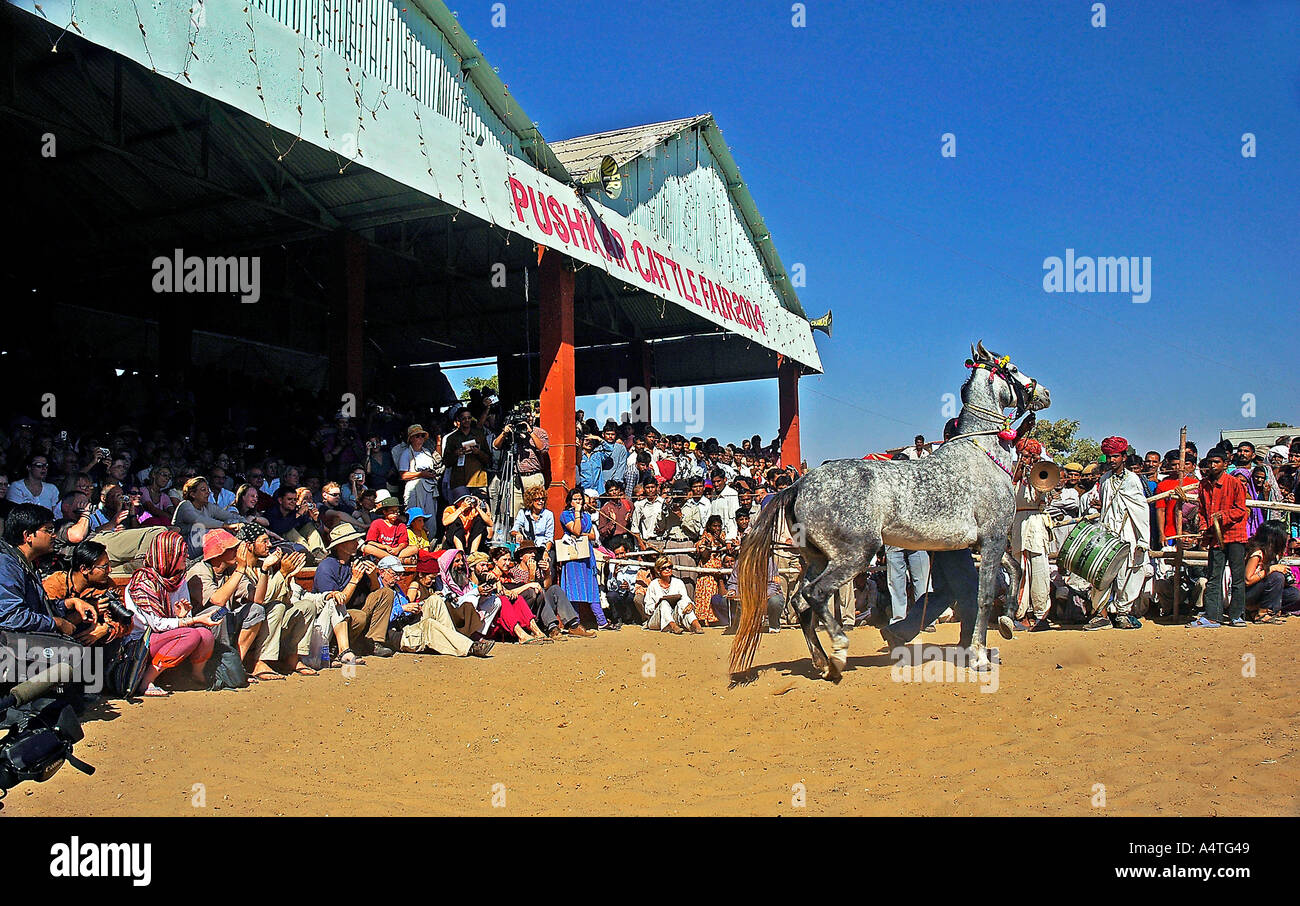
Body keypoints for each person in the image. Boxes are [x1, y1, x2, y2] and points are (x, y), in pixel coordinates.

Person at [125, 530, 223, 697]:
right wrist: (192, 620)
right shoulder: (143, 582)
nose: (186, 557)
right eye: (181, 554)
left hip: (167, 635)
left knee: (205, 635)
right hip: (142, 640)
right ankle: (147, 681)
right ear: (168, 555)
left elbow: (180, 619)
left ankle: (195, 676)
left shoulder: (178, 579)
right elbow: (156, 624)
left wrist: (182, 616)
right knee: (190, 635)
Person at [185, 528, 281, 681]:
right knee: (219, 611)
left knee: (256, 610)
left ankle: (236, 665)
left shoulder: (231, 570)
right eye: (232, 549)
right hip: (201, 627)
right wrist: (240, 569)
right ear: (219, 552)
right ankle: (216, 668)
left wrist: (264, 570)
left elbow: (257, 599)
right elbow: (218, 600)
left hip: (225, 623)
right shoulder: (199, 571)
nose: (237, 551)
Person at [1084, 437, 1149, 631]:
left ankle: (1122, 613)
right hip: (1107, 533)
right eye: (1109, 457)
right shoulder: (1104, 479)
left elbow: (1141, 511)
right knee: (1101, 574)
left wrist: (1143, 539)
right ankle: (1101, 615)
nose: (1112, 460)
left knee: (1128, 574)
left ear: (1123, 457)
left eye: (1116, 456)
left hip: (1128, 532)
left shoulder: (1132, 480)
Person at [0, 504, 95, 636]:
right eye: (48, 530)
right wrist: (56, 623)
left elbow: (37, 609)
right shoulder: (6, 566)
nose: (54, 535)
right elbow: (10, 617)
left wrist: (69, 603)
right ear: (28, 536)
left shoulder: (26, 564)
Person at [373, 555, 492, 658]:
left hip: (407, 623)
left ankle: (453, 640)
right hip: (396, 634)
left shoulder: (395, 587)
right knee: (429, 624)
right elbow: (378, 620)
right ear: (382, 572)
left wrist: (416, 607)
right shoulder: (377, 591)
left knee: (435, 600)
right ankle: (470, 647)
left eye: (399, 574)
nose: (398, 578)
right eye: (394, 574)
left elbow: (406, 607)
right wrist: (402, 609)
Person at [313, 524, 396, 658]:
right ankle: (337, 645)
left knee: (386, 593)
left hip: (359, 609)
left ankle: (374, 642)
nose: (356, 543)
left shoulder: (357, 560)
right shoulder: (327, 567)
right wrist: (354, 579)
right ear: (339, 545)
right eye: (351, 541)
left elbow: (374, 590)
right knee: (359, 616)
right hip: (337, 617)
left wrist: (373, 576)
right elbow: (335, 604)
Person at [1191, 452, 1250, 628]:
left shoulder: (1235, 484)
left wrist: (1222, 516)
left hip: (1235, 536)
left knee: (1237, 577)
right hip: (1215, 538)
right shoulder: (1204, 485)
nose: (1212, 465)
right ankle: (1212, 617)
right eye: (1210, 462)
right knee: (1214, 577)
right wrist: (1203, 525)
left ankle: (1237, 616)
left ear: (1225, 464)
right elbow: (1201, 510)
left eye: (1216, 462)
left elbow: (1241, 510)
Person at [41, 540, 130, 646]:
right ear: (84, 569)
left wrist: (106, 629)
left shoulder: (105, 585)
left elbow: (127, 622)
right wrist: (89, 611)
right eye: (104, 567)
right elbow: (47, 624)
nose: (109, 570)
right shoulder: (56, 584)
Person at [1010, 437, 1052, 632]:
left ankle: (1041, 614)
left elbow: (1043, 498)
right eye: (1021, 455)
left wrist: (1034, 473)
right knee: (1020, 569)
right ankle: (1022, 614)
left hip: (1035, 523)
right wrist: (1020, 471)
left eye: (1027, 456)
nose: (1023, 458)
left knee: (1039, 571)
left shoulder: (1042, 474)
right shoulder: (1013, 474)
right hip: (1019, 524)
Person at [557, 487, 614, 629]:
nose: (578, 502)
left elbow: (593, 536)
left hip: (586, 555)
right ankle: (575, 623)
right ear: (570, 501)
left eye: (580, 499)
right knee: (572, 590)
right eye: (575, 499)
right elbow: (576, 530)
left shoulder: (587, 516)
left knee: (592, 588)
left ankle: (601, 621)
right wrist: (577, 514)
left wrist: (579, 533)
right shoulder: (565, 515)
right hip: (573, 557)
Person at [470, 550, 549, 644]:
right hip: (479, 621)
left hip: (491, 617)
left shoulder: (498, 577)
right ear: (472, 568)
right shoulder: (468, 583)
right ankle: (521, 635)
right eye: (482, 565)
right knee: (502, 599)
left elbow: (503, 592)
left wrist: (500, 585)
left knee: (517, 598)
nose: (486, 568)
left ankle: (537, 631)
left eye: (486, 565)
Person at [172, 477, 246, 557]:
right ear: (192, 494)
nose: (208, 493)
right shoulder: (185, 505)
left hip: (200, 547)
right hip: (184, 549)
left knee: (232, 522)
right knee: (202, 530)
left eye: (208, 490)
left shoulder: (208, 506)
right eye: (203, 490)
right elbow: (200, 521)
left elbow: (228, 515)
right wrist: (225, 526)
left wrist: (244, 522)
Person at [1242, 521, 1297, 622]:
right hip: (1248, 594)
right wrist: (1271, 569)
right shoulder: (1257, 553)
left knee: (1294, 595)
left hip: (1262, 592)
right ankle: (1262, 614)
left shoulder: (1275, 553)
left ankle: (1268, 610)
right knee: (1277, 576)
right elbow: (1247, 580)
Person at [643, 556, 702, 633]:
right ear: (658, 570)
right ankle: (673, 626)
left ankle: (696, 625)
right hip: (657, 619)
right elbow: (647, 609)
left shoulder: (678, 582)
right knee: (664, 603)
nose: (667, 569)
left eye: (669, 567)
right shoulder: (653, 585)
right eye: (664, 568)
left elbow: (685, 598)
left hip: (674, 615)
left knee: (682, 602)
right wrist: (657, 605)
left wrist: (689, 604)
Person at [393, 424, 443, 514]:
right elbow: (403, 475)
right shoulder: (406, 454)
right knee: (415, 518)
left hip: (430, 488)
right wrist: (421, 474)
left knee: (431, 519)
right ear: (411, 438)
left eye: (422, 436)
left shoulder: (427, 452)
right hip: (414, 489)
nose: (420, 438)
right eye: (417, 436)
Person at [691, 515, 728, 626]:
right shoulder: (704, 538)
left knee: (716, 592)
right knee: (706, 592)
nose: (716, 528)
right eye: (714, 526)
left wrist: (719, 540)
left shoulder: (723, 535)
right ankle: (703, 618)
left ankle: (713, 618)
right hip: (707, 568)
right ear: (709, 526)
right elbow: (704, 556)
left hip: (718, 568)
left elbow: (727, 547)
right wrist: (708, 544)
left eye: (718, 526)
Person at [362, 494, 416, 561]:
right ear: (385, 512)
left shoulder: (401, 524)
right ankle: (395, 560)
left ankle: (393, 559)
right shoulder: (377, 523)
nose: (395, 514)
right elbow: (370, 542)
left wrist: (397, 549)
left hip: (396, 552)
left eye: (397, 511)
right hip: (381, 552)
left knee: (414, 548)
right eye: (392, 511)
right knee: (367, 548)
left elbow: (403, 543)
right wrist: (384, 547)